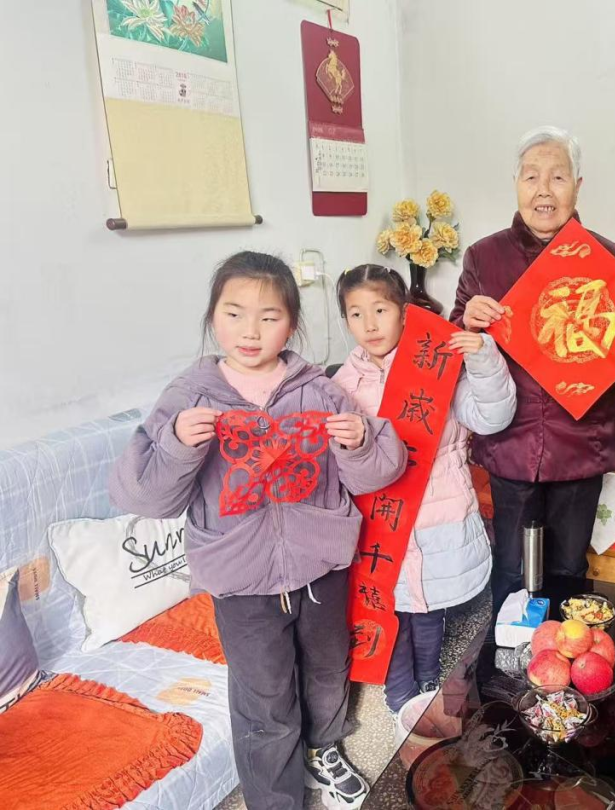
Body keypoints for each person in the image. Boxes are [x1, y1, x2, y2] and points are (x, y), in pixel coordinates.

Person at [109, 252, 407, 810]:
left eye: (269, 317)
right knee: (264, 694)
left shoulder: (318, 388)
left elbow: (378, 473)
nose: (251, 331)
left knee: (327, 670)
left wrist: (359, 441)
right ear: (213, 318)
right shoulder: (190, 395)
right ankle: (275, 798)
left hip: (321, 563)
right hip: (240, 576)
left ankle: (323, 749)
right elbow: (143, 498)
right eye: (235, 314)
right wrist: (176, 442)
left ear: (291, 324)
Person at [449, 125, 615, 617]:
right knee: (511, 566)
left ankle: (563, 653)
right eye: (531, 177)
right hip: (510, 441)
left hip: (580, 443)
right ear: (516, 184)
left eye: (558, 177)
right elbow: (452, 344)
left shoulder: (608, 257)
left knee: (567, 567)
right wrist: (467, 321)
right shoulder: (484, 256)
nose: (544, 190)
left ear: (577, 187)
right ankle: (509, 654)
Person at [331, 265, 515, 715]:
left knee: (430, 608)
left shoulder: (437, 365)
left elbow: (491, 418)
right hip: (380, 523)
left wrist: (484, 360)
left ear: (404, 312)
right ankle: (399, 695)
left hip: (438, 515)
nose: (370, 324)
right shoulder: (339, 386)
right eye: (356, 314)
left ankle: (429, 678)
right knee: (387, 607)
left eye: (380, 309)